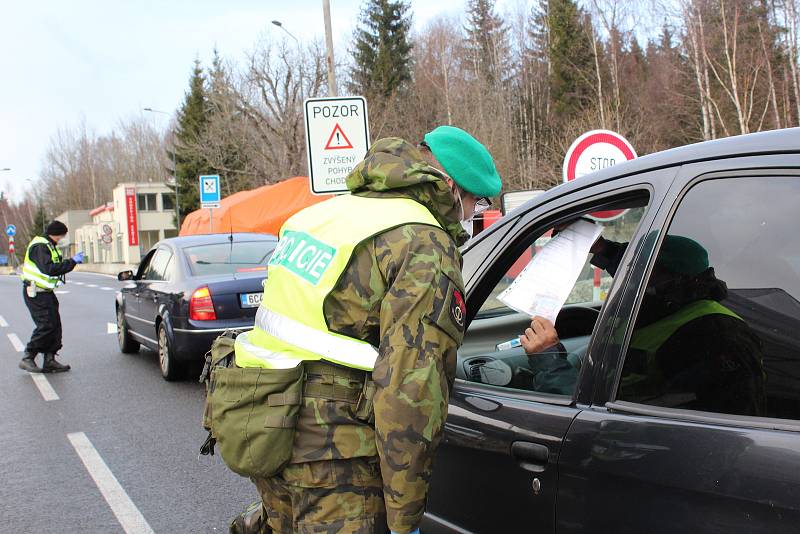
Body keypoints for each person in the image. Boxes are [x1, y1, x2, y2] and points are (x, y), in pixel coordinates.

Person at [224, 126, 501, 534]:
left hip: (268, 427)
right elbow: (411, 390)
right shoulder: (422, 242)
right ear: (450, 187)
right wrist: (405, 519)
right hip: (338, 462)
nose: (472, 212)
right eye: (475, 201)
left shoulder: (322, 216)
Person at [518, 234, 765, 416]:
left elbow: (624, 421)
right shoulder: (658, 304)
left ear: (673, 280)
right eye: (629, 270)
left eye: (639, 272)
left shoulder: (713, 336)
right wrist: (600, 246)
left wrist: (549, 362)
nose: (628, 279)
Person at [18, 220, 84, 373]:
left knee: (55, 326)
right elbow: (49, 268)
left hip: (46, 292)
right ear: (57, 234)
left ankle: (49, 359)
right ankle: (28, 356)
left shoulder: (49, 245)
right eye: (62, 235)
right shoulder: (40, 246)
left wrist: (70, 262)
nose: (62, 238)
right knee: (46, 325)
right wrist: (72, 261)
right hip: (36, 292)